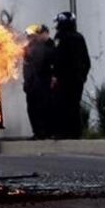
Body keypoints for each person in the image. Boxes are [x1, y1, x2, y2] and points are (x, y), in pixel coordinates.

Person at [51, 11, 91, 139]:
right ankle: (75, 133)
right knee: (74, 105)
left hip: (64, 80)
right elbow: (87, 61)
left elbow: (57, 59)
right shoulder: (79, 37)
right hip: (76, 80)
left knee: (61, 105)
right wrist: (82, 77)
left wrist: (55, 76)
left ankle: (62, 133)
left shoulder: (60, 37)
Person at [22, 24, 54, 139]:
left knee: (43, 108)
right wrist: (26, 83)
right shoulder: (28, 49)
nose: (29, 38)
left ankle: (45, 132)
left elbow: (45, 66)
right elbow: (26, 68)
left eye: (31, 36)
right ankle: (38, 132)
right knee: (33, 109)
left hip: (42, 84)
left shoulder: (48, 47)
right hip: (32, 85)